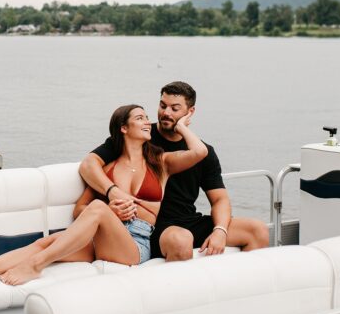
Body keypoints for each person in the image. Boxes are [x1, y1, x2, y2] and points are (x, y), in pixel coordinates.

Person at [0, 104, 207, 285]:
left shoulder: (159, 162)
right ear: (123, 128)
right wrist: (113, 212)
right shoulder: (107, 168)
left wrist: (182, 125)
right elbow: (80, 210)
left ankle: (36, 266)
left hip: (136, 245)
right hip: (100, 241)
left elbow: (199, 152)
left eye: (146, 117)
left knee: (98, 209)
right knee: (45, 242)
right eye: (140, 118)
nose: (147, 122)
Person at [80, 81, 269, 261]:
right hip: (154, 227)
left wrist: (220, 230)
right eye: (162, 106)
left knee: (257, 230)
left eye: (174, 108)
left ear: (190, 112)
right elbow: (88, 165)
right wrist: (113, 193)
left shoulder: (204, 152)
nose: (165, 113)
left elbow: (220, 199)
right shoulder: (138, 135)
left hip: (189, 220)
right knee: (181, 239)